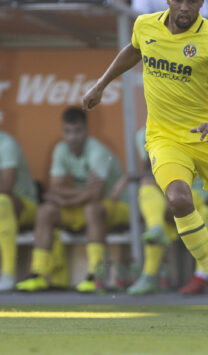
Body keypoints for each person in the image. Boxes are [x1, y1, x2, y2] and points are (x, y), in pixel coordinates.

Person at [82, 0, 208, 314]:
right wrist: (101, 84)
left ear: (202, 3)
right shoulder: (145, 25)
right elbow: (133, 51)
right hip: (164, 136)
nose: (184, 7)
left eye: (192, 1)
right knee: (178, 199)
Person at [16, 108, 129, 293]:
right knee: (46, 211)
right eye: (67, 131)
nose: (72, 137)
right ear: (62, 131)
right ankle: (38, 274)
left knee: (92, 209)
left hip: (117, 206)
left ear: (86, 129)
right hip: (84, 206)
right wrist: (83, 192)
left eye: (77, 131)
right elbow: (55, 188)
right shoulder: (61, 149)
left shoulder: (98, 151)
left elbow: (96, 195)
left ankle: (96, 275)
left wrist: (66, 198)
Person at [121, 127, 208, 296]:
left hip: (201, 195)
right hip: (172, 194)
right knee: (148, 187)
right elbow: (151, 170)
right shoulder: (143, 134)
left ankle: (202, 276)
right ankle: (150, 269)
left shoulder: (199, 125)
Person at [0, 131, 38, 291]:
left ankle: (8, 273)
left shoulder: (6, 144)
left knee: (2, 202)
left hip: (25, 205)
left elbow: (6, 187)